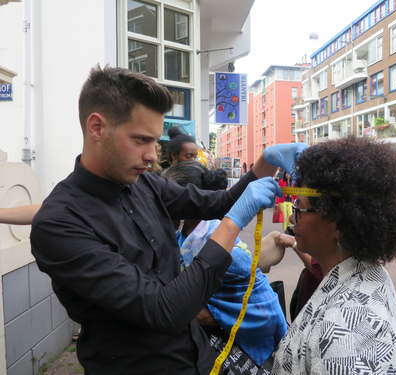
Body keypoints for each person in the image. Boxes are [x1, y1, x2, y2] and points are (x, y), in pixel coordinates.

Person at [30, 65, 306, 375]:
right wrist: (231, 225)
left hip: (196, 356)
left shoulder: (145, 184)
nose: (151, 156)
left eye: (155, 142)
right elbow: (163, 310)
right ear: (97, 127)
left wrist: (264, 163)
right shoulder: (60, 225)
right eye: (140, 140)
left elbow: (219, 202)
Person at [272, 137, 396, 374]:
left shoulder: (348, 328)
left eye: (299, 209)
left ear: (337, 223)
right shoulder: (365, 272)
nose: (291, 219)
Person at [162, 160, 287, 367]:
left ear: (189, 200)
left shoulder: (217, 242)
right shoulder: (184, 235)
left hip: (255, 336)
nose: (160, 206)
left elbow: (248, 296)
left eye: (167, 199)